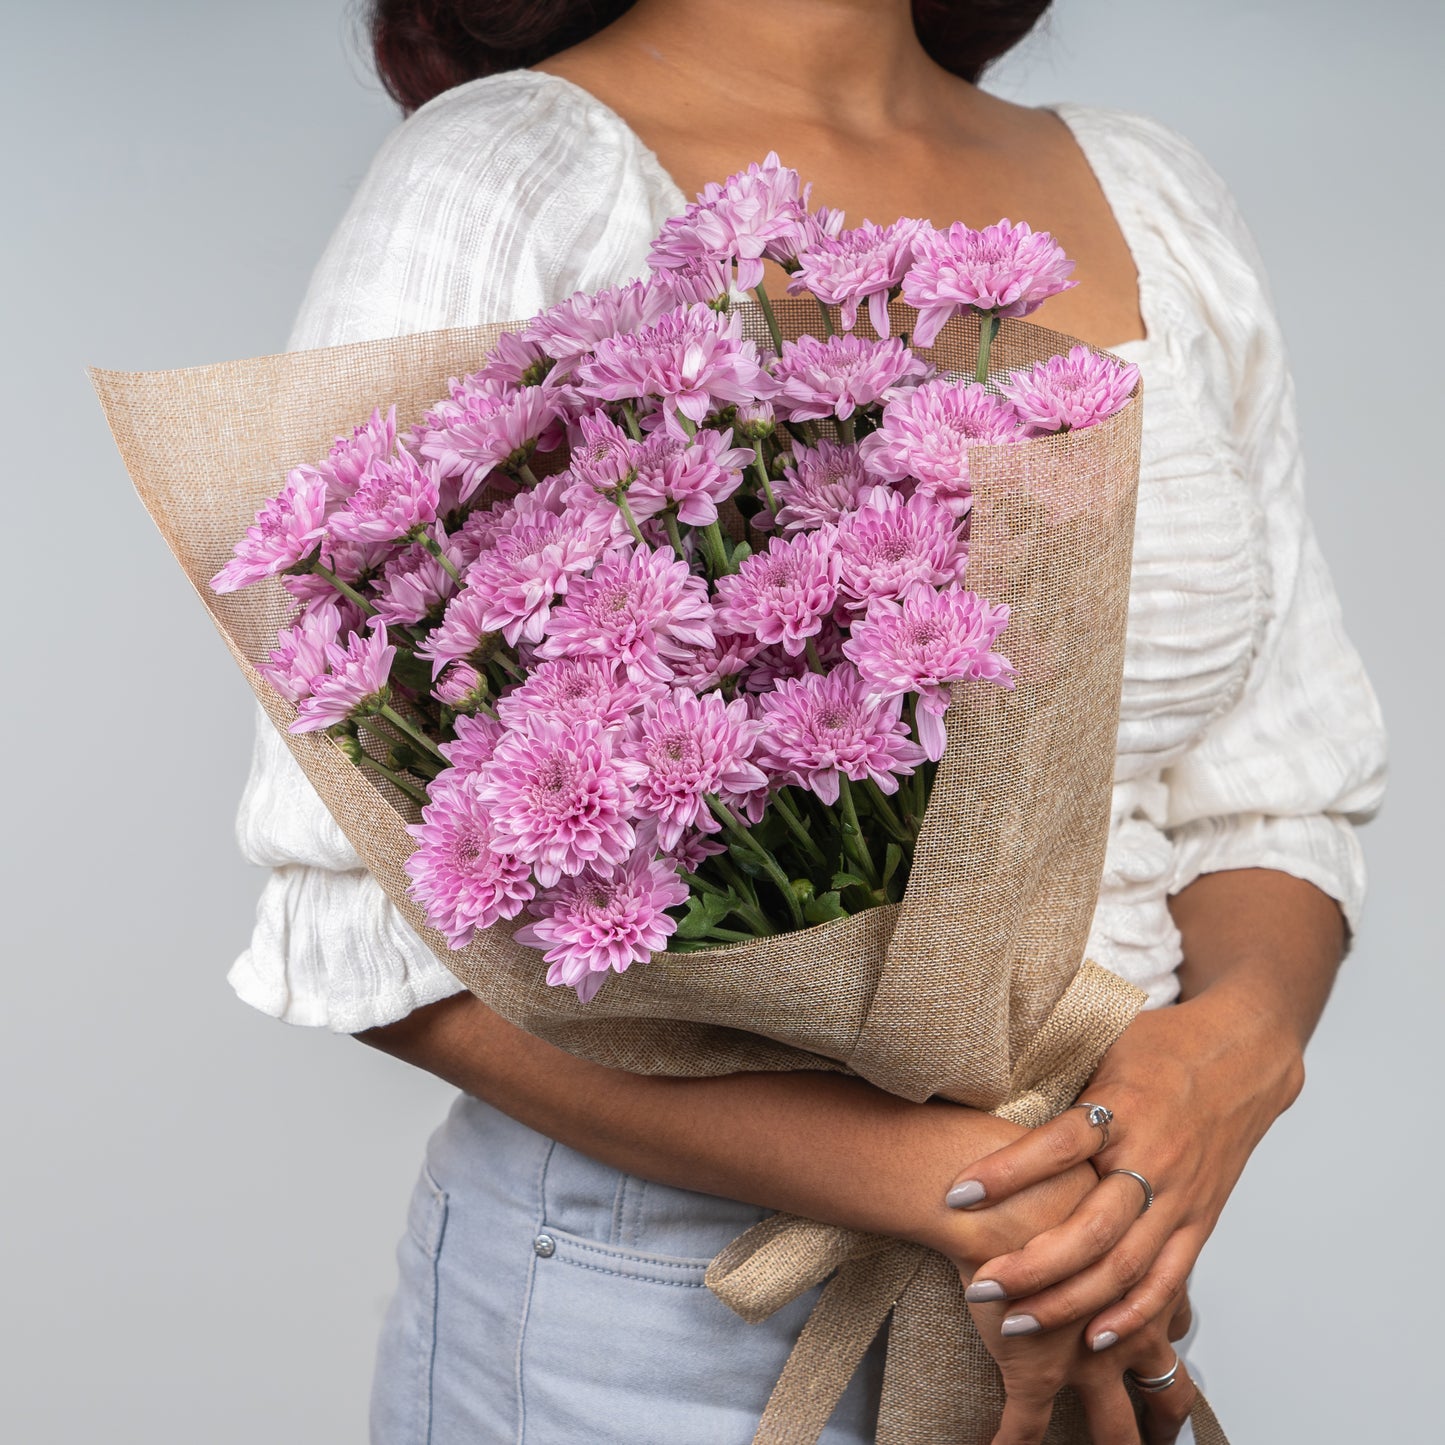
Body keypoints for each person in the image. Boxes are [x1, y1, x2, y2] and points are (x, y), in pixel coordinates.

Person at [229, 2, 1388, 1441]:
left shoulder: (1152, 191)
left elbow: (1272, 789)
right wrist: (983, 1198)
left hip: (1105, 1269)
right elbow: (366, 923)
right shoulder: (513, 172)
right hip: (673, 1308)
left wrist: (1224, 1062)